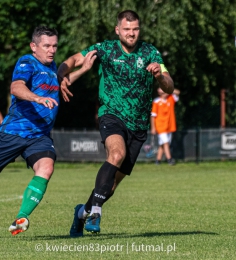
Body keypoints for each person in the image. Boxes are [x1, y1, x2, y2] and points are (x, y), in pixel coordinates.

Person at [57, 10, 174, 237]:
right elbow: (72, 60)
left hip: (139, 125)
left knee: (110, 186)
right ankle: (96, 212)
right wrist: (62, 75)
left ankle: (82, 212)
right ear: (117, 30)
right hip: (110, 115)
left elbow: (169, 86)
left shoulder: (151, 52)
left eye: (135, 29)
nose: (131, 34)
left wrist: (160, 75)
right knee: (116, 154)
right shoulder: (105, 49)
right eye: (127, 29)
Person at [0, 25, 96, 236]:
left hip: (39, 136)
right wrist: (37, 98)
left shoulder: (52, 66)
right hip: (14, 133)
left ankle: (21, 219)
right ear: (34, 46)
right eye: (46, 46)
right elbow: (17, 87)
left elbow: (61, 84)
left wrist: (83, 69)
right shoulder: (26, 62)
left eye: (55, 46)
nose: (52, 50)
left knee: (46, 168)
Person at [150, 88, 180, 165]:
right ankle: (169, 159)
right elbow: (153, 116)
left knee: (163, 144)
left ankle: (158, 160)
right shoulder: (156, 101)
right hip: (160, 126)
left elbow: (178, 92)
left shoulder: (171, 98)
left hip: (169, 126)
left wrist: (166, 88)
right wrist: (153, 128)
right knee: (166, 143)